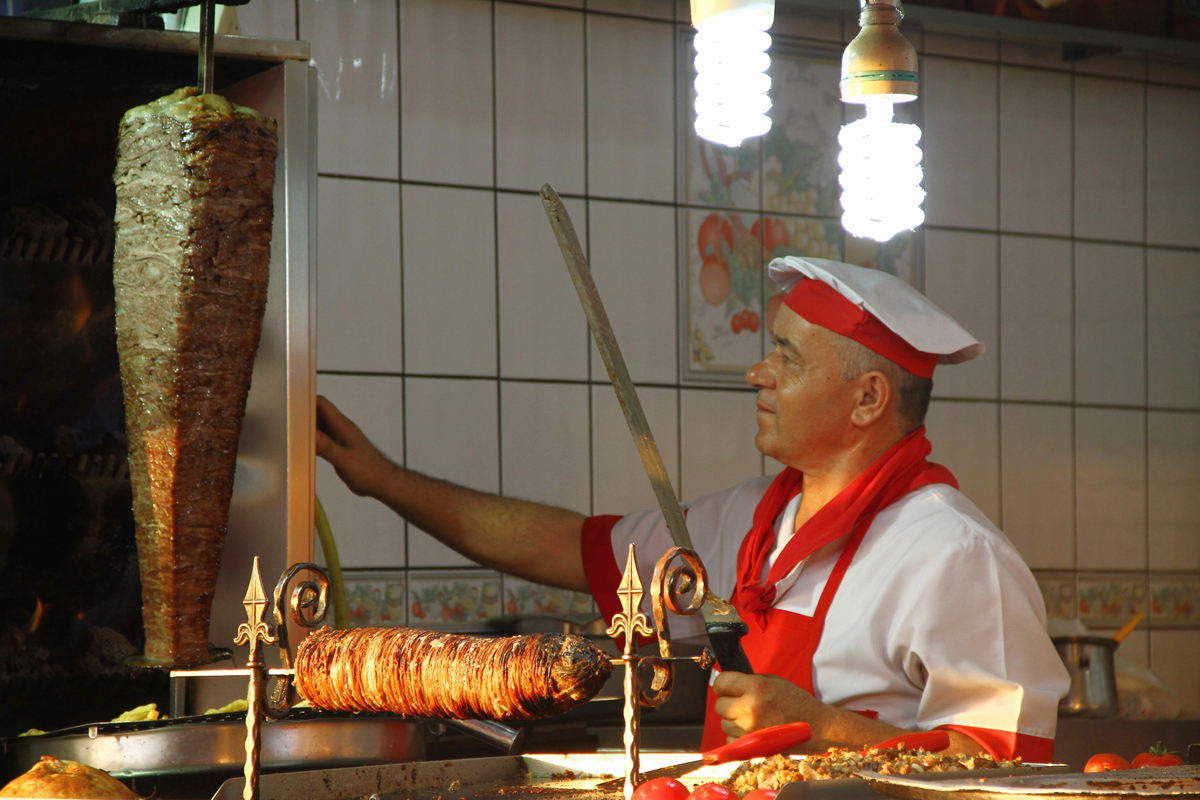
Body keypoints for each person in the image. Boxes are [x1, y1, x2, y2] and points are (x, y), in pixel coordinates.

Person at [316, 256, 1070, 761]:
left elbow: (1008, 771)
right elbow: (563, 547)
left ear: (868, 398)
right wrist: (382, 479)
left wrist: (823, 728)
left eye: (788, 358)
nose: (758, 374)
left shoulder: (952, 554)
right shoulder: (744, 522)